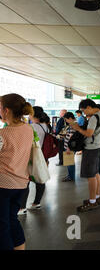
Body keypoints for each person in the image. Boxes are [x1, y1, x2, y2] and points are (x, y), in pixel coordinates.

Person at [0, 94, 34, 250]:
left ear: (6, 110)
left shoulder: (3, 134)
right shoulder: (28, 129)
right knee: (12, 220)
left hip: (3, 185)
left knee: (2, 226)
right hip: (21, 184)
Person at [69, 99, 100, 212]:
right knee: (96, 173)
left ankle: (92, 201)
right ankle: (97, 197)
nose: (84, 113)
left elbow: (89, 133)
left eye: (83, 110)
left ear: (89, 107)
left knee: (91, 176)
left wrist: (78, 128)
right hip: (98, 147)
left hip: (91, 148)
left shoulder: (94, 118)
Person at [19, 106, 51, 213]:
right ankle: (36, 203)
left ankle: (22, 207)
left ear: (32, 114)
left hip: (32, 157)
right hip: (42, 156)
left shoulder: (32, 127)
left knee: (25, 181)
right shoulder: (45, 126)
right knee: (40, 179)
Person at [61, 112, 76, 182]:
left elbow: (71, 138)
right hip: (68, 147)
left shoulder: (73, 125)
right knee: (69, 162)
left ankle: (71, 177)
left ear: (70, 118)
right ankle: (70, 175)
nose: (66, 121)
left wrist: (68, 148)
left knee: (70, 163)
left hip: (69, 147)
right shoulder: (73, 124)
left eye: (66, 119)